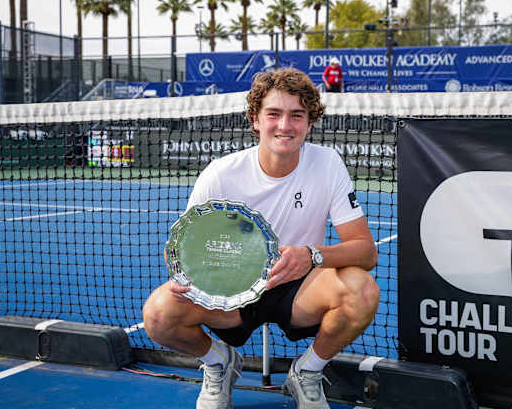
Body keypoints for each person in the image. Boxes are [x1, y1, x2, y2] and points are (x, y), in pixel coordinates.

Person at [143, 68, 379, 409]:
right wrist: (184, 274)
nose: (285, 125)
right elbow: (184, 249)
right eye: (274, 114)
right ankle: (219, 362)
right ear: (255, 119)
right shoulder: (221, 174)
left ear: (309, 123)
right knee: (158, 314)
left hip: (301, 288)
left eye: (296, 115)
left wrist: (310, 255)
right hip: (231, 291)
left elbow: (366, 252)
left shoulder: (327, 164)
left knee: (362, 290)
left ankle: (307, 372)